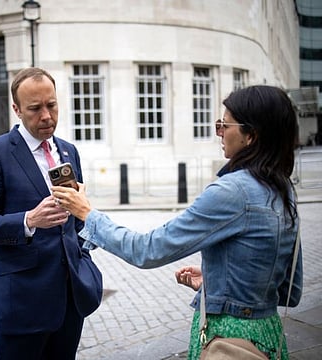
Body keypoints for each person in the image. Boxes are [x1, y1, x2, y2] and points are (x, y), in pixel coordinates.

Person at [52, 85, 303, 360]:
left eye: (224, 124)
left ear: (251, 135)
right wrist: (217, 281)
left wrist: (87, 213)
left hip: (229, 340)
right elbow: (291, 290)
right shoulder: (283, 188)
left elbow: (147, 250)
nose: (218, 132)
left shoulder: (231, 192)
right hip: (268, 335)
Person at [0, 67, 102, 360]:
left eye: (51, 105)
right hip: (22, 303)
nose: (46, 116)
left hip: (69, 299)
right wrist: (29, 220)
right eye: (35, 108)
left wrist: (84, 257)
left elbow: (76, 222)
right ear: (16, 109)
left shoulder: (68, 151)